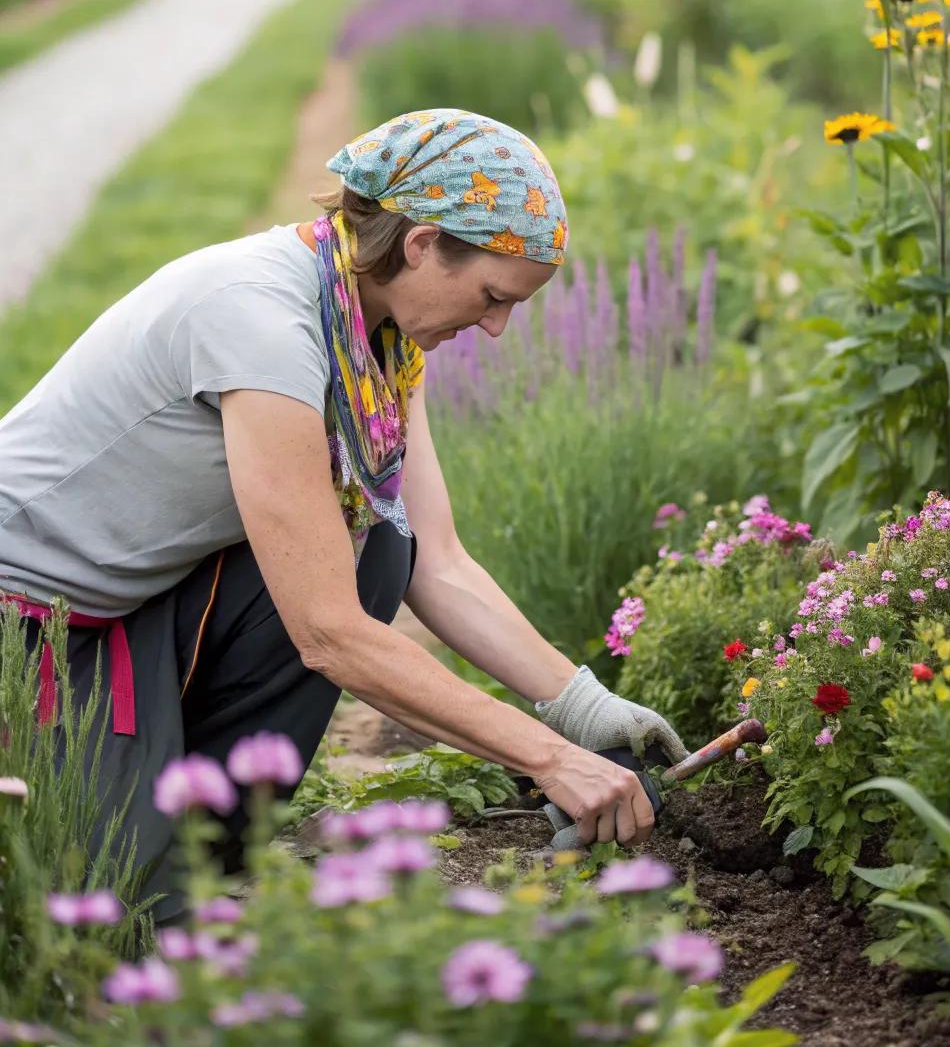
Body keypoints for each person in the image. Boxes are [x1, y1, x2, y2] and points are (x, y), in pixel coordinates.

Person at [0, 108, 685, 917]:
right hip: (26, 629)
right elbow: (327, 631)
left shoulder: (380, 339)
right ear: (424, 243)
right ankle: (137, 839)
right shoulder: (261, 322)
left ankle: (196, 834)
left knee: (382, 546)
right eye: (493, 297)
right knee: (107, 913)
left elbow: (437, 560)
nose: (498, 328)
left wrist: (582, 710)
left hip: (123, 609)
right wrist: (548, 759)